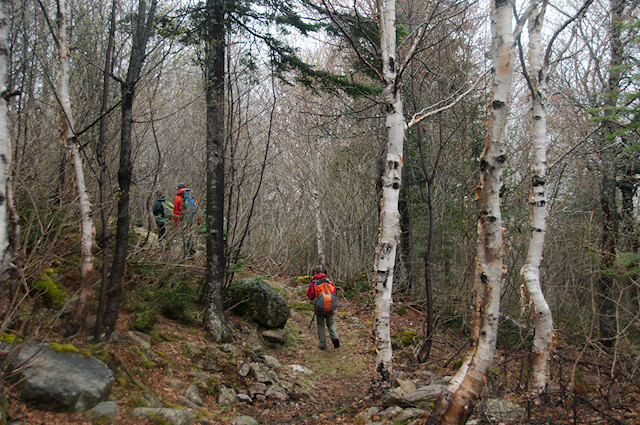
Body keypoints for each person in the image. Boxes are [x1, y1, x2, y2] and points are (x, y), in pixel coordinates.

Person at [307, 265, 340, 350]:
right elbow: (334, 293)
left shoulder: (314, 283)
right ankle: (335, 337)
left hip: (319, 309)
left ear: (315, 272)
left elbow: (310, 296)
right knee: (331, 324)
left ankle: (322, 344)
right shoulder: (329, 282)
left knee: (321, 325)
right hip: (330, 307)